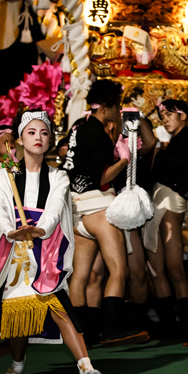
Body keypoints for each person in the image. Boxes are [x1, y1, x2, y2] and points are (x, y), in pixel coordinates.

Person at [0, 111, 102, 374]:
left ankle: (85, 365)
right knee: (16, 315)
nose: (38, 137)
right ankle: (17, 364)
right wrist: (11, 231)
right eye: (31, 132)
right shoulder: (5, 176)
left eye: (43, 132)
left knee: (59, 306)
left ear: (50, 139)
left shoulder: (59, 177)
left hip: (46, 250)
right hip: (14, 252)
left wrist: (40, 229)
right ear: (19, 139)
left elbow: (54, 211)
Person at [62, 79, 149, 346]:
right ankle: (111, 330)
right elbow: (102, 178)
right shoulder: (98, 133)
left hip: (77, 210)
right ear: (108, 106)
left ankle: (83, 335)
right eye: (118, 106)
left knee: (81, 275)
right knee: (119, 270)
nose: (119, 111)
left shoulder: (79, 128)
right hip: (99, 207)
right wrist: (125, 159)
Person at [143, 99, 188, 346]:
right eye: (162, 116)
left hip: (172, 201)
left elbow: (169, 169)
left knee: (175, 268)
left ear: (183, 116)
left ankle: (187, 330)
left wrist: (158, 152)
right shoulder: (169, 143)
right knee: (156, 268)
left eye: (169, 114)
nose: (165, 119)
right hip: (157, 200)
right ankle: (169, 328)